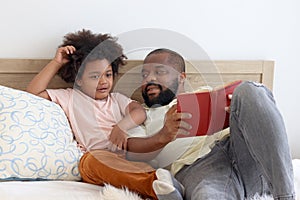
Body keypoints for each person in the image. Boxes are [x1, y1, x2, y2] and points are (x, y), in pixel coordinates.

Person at [82, 48, 295, 200]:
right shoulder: (141, 115)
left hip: (243, 151)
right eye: (145, 74)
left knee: (250, 90)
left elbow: (258, 110)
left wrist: (237, 111)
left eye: (160, 72)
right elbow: (132, 154)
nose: (149, 79)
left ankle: (286, 195)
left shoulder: (205, 93)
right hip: (199, 168)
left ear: (181, 77)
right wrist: (163, 135)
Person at [26, 30, 184, 200]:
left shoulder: (117, 99)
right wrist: (56, 63)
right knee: (90, 162)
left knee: (134, 164)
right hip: (98, 157)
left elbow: (139, 112)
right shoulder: (70, 98)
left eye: (108, 75)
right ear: (79, 79)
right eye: (95, 76)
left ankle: (160, 185)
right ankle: (158, 186)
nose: (103, 82)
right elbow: (31, 96)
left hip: (127, 154)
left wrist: (121, 127)